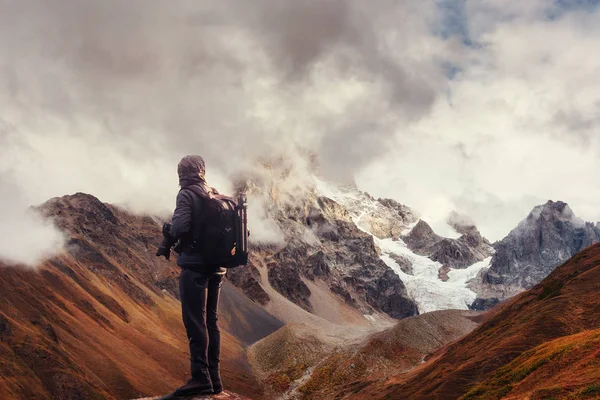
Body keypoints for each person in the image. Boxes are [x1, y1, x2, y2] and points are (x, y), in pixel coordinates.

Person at [156, 155, 226, 399]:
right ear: (202, 170)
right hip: (217, 267)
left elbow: (181, 227)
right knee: (211, 322)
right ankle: (214, 379)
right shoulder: (212, 192)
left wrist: (169, 230)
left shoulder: (186, 194)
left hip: (196, 267)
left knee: (195, 322)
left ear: (181, 173)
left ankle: (200, 379)